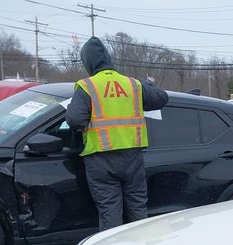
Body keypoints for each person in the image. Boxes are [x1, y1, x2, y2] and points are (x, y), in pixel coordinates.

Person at [66, 37, 169, 230]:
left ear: (88, 62)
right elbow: (162, 98)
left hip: (101, 159)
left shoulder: (87, 86)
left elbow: (74, 120)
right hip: (132, 158)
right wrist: (148, 88)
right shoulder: (133, 85)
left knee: (110, 213)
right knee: (138, 209)